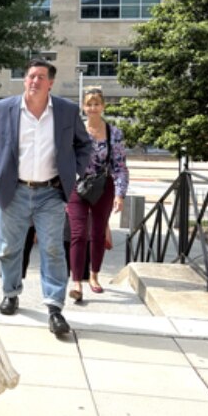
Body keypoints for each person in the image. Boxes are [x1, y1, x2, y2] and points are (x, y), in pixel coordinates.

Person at [0, 58, 93, 336]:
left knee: (53, 249)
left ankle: (54, 306)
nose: (34, 81)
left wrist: (74, 173)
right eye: (30, 76)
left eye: (41, 76)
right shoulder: (3, 108)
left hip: (51, 193)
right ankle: (10, 292)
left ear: (50, 82)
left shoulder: (66, 111)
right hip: (13, 190)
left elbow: (84, 144)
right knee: (8, 248)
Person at [67, 86, 129, 301]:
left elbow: (120, 166)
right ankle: (76, 281)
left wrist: (120, 194)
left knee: (98, 234)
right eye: (89, 104)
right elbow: (65, 162)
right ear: (84, 107)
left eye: (96, 104)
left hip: (104, 186)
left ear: (103, 106)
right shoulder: (77, 131)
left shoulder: (114, 133)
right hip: (79, 186)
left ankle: (94, 276)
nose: (93, 108)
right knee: (78, 233)